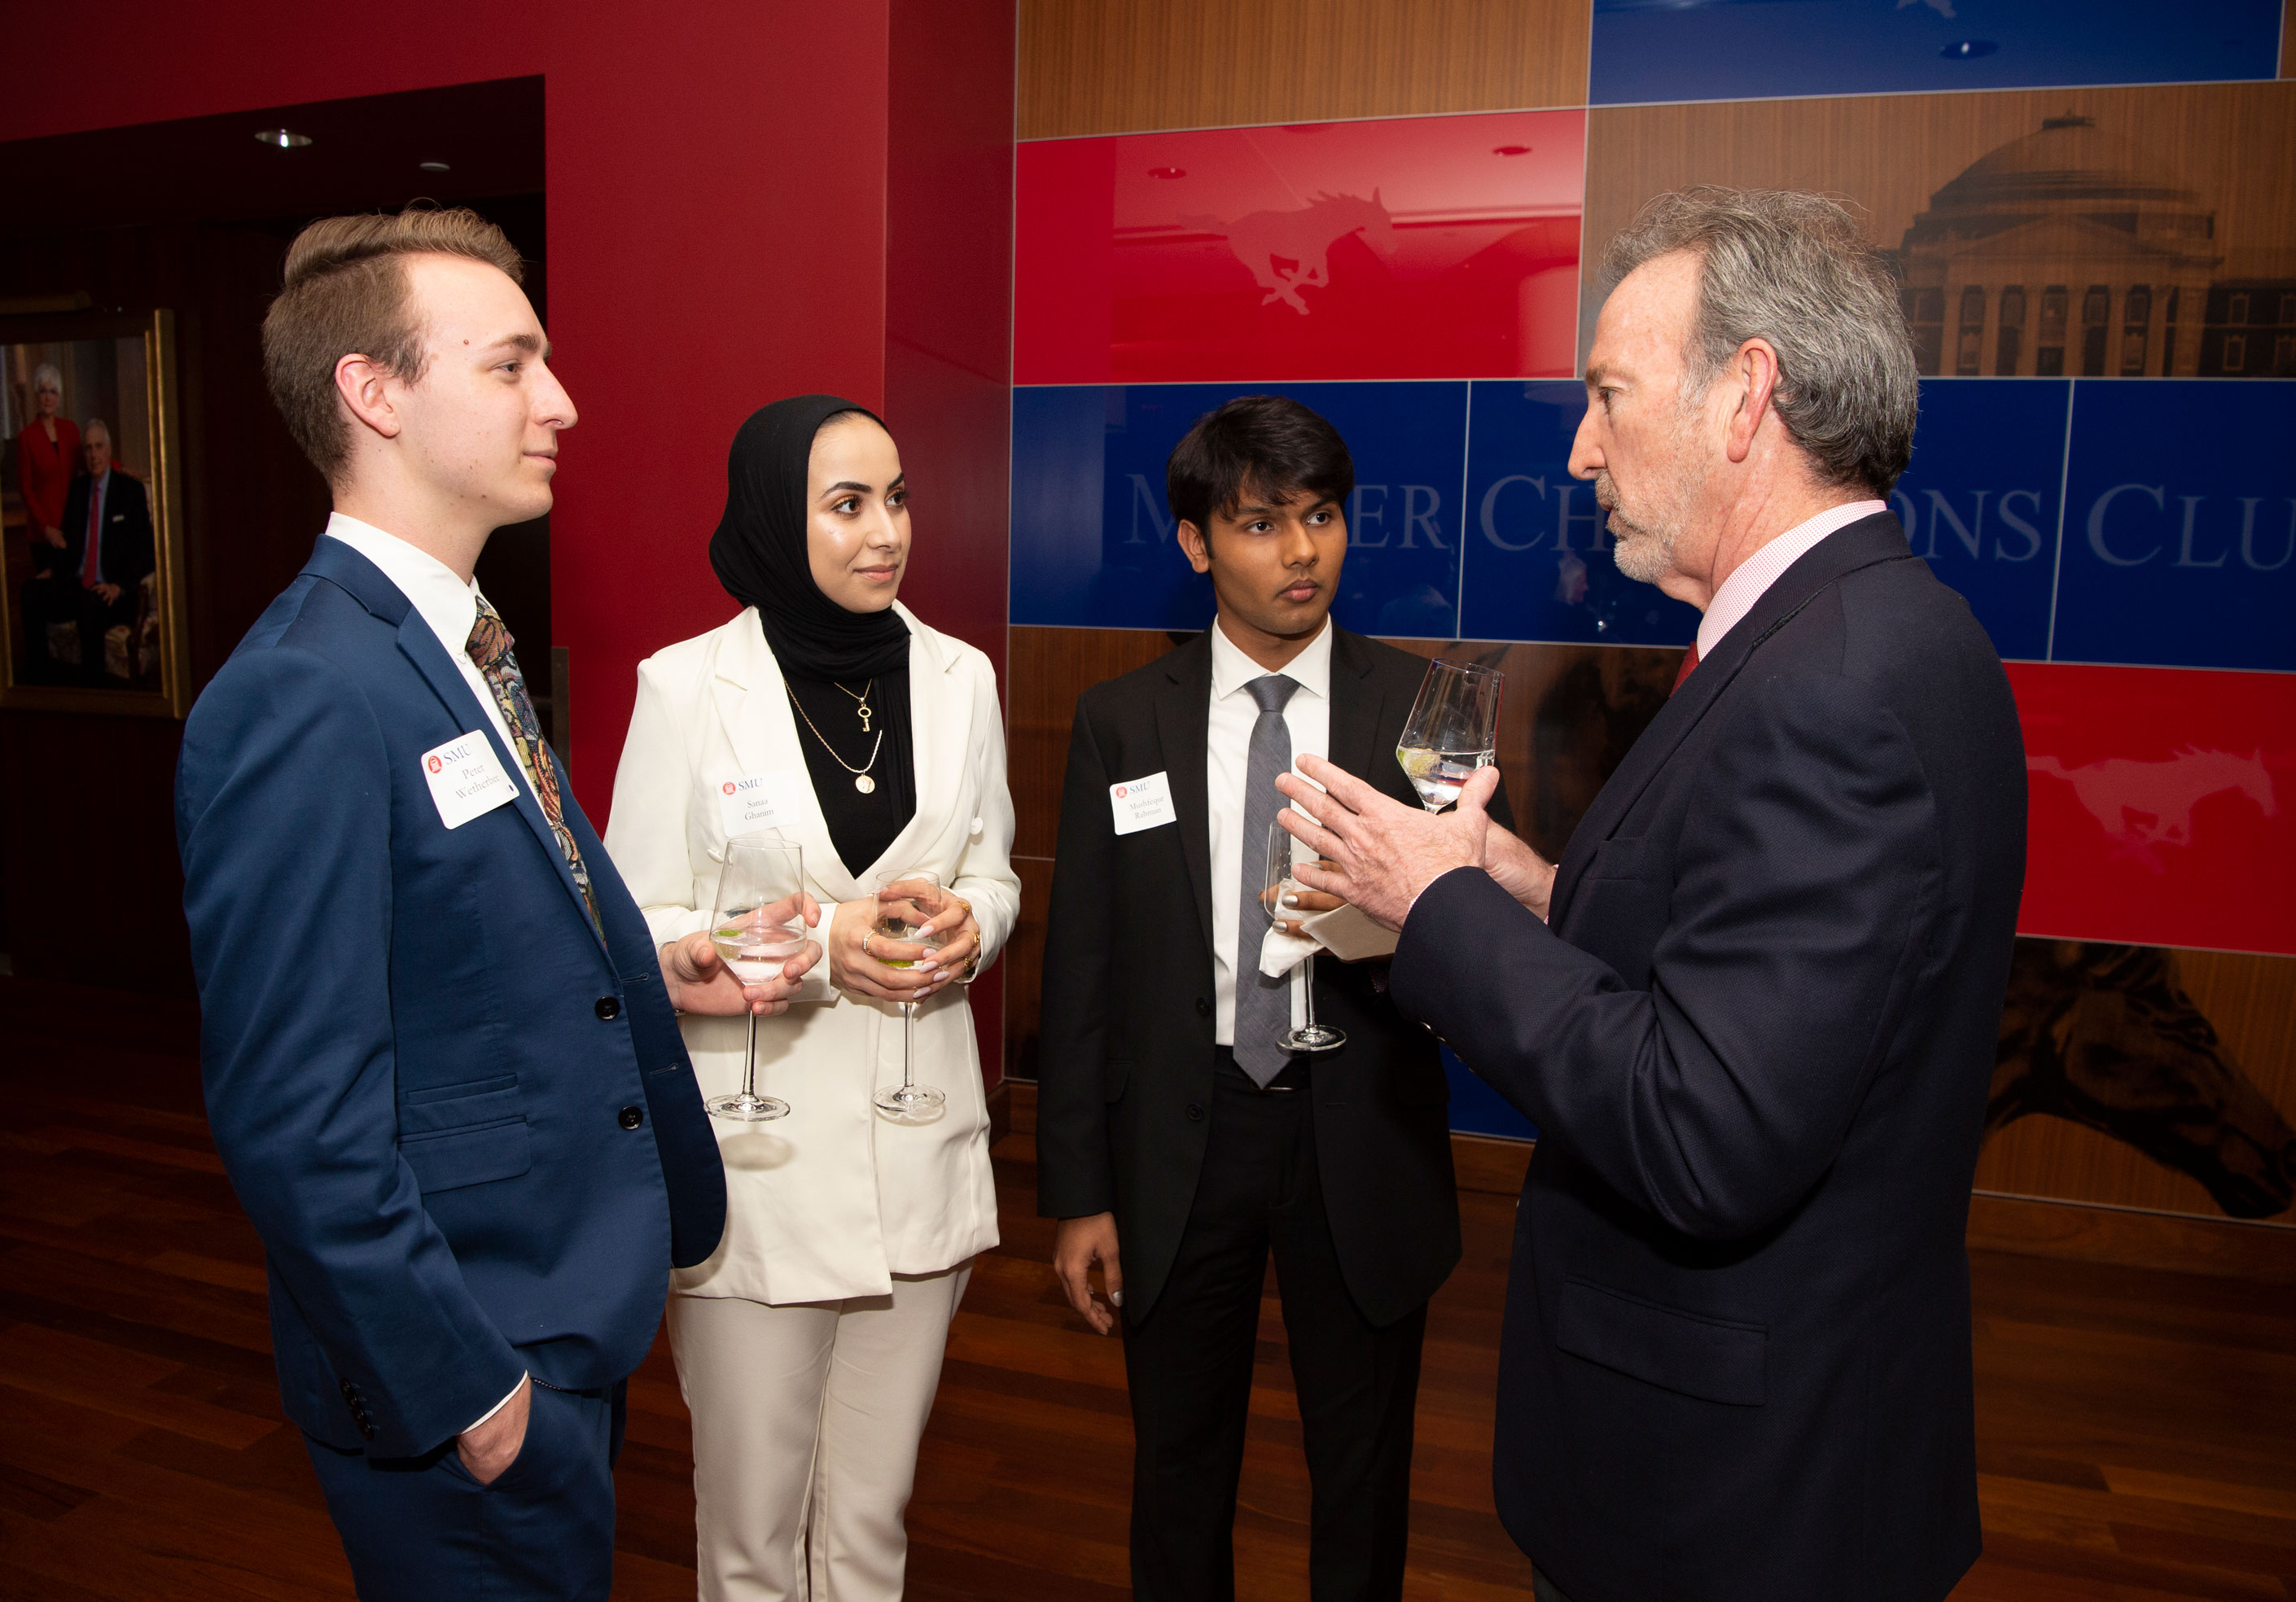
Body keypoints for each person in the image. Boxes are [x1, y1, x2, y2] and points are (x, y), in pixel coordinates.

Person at [1279, 189, 2028, 1601]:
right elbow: (1751, 968)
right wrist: (1526, 886)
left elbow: (1708, 1126)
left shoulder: (1836, 685)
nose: (1578, 449)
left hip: (1737, 1493)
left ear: (1745, 395)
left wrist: (1438, 910)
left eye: (1607, 395)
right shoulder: (1852, 634)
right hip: (1781, 1431)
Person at [175, 207, 808, 1601]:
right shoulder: (303, 690)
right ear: (375, 392)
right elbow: (291, 1111)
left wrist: (650, 961)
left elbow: (457, 928)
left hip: (557, 1306)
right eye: (513, 365)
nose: (561, 401)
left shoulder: (456, 640)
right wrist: (465, 1382)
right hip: (467, 1353)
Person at [1037, 395, 1482, 1602]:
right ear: (1196, 543)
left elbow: (1475, 944)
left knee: (1364, 1472)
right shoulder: (1119, 722)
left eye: (1323, 517)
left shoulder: (1419, 714)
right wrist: (1078, 1195)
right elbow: (1081, 970)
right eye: (1260, 522)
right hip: (1187, 1136)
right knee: (1178, 1467)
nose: (1301, 553)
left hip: (1362, 1129)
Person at [604, 394, 1019, 1602]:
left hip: (919, 1141)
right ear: (774, 521)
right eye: (846, 505)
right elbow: (640, 925)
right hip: (759, 1162)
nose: (884, 531)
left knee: (872, 1522)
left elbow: (991, 872)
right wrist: (817, 943)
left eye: (895, 499)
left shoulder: (962, 678)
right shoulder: (686, 688)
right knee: (752, 1534)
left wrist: (971, 928)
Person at [50, 419, 156, 680]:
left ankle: (94, 692)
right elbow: (68, 546)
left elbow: (147, 553)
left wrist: (119, 586)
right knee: (31, 594)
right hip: (77, 586)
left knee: (90, 606)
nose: (93, 454)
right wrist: (53, 571)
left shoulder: (129, 491)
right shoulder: (77, 490)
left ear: (109, 451)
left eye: (98, 447)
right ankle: (38, 689)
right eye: (88, 448)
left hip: (114, 593)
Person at [15, 361, 79, 549]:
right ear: (36, 395)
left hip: (72, 525)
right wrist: (45, 528)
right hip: (42, 532)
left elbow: (87, 462)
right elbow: (26, 490)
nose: (48, 397)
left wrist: (119, 467)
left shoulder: (70, 430)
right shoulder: (26, 437)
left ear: (59, 397)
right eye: (43, 391)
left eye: (53, 392)